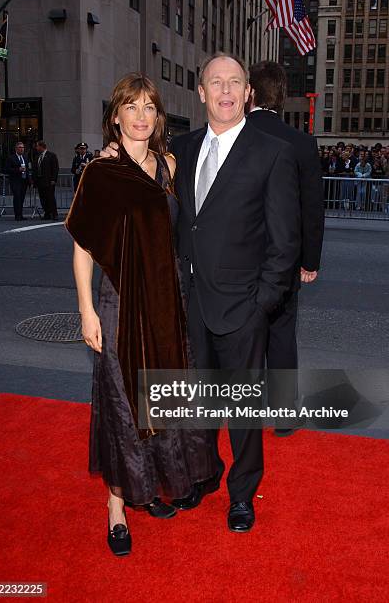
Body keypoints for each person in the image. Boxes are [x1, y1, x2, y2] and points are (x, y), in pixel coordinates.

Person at [103, 54, 301, 534]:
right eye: (217, 82)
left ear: (248, 93)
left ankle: (242, 492)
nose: (227, 90)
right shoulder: (182, 151)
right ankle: (203, 474)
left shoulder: (270, 152)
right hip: (186, 304)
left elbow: (285, 240)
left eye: (235, 82)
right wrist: (112, 158)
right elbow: (145, 178)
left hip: (243, 308)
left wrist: (262, 304)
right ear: (202, 92)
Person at [65, 73, 217, 556]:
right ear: (115, 116)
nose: (141, 116)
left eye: (149, 107)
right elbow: (83, 248)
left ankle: (147, 488)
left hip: (166, 301)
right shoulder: (99, 172)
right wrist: (87, 310)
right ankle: (116, 505)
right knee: (122, 404)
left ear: (158, 118)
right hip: (116, 301)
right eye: (131, 107)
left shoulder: (170, 166)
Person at [247, 61, 325, 435]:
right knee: (281, 333)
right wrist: (309, 260)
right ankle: (282, 413)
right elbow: (312, 208)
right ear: (281, 97)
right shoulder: (302, 143)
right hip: (284, 259)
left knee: (240, 334)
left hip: (237, 259)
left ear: (250, 92)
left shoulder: (233, 135)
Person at [33, 141, 59, 220]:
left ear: (41, 147)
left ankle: (54, 214)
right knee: (43, 198)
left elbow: (55, 168)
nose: (36, 148)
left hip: (49, 181)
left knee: (50, 198)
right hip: (40, 181)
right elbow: (35, 169)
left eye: (37, 146)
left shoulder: (51, 155)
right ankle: (47, 213)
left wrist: (53, 179)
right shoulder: (37, 157)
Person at [5, 141, 31, 221]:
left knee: (22, 198)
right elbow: (7, 169)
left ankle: (21, 214)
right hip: (15, 181)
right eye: (20, 147)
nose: (21, 149)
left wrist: (29, 179)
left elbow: (28, 169)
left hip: (24, 181)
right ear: (16, 149)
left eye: (22, 147)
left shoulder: (25, 157)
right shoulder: (11, 158)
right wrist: (17, 169)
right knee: (17, 197)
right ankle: (17, 215)